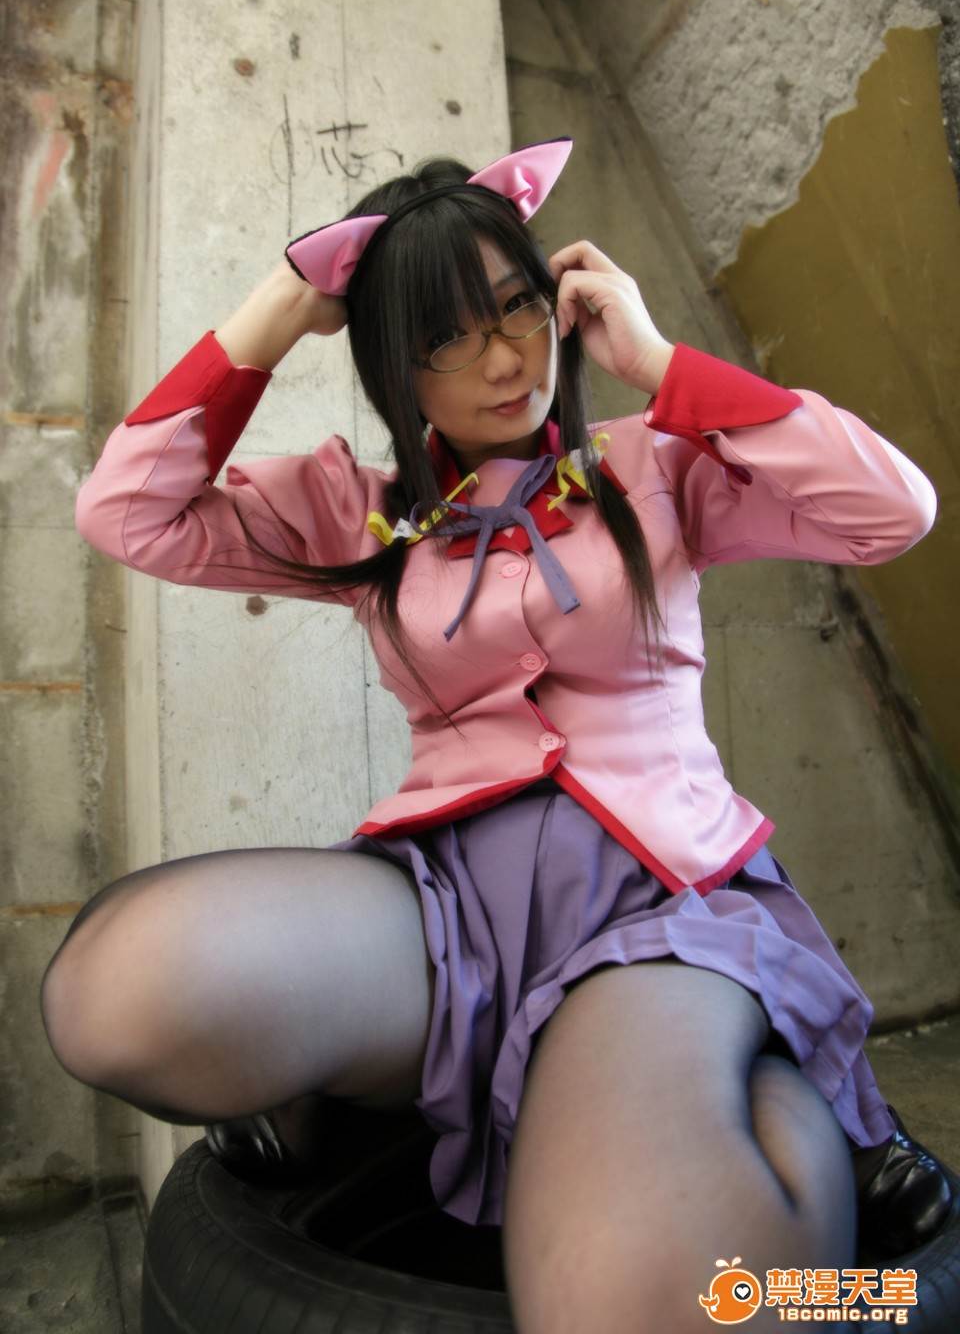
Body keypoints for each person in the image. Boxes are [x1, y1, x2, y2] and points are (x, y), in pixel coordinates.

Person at [40, 137, 953, 1333]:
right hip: (444, 910)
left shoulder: (659, 470)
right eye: (445, 337)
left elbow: (893, 509)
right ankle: (376, 1087)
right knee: (120, 994)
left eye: (518, 304)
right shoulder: (360, 513)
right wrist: (284, 305)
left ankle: (802, 1134)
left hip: (657, 911)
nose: (506, 357)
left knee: (652, 1293)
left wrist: (659, 361)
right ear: (394, 367)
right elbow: (126, 513)